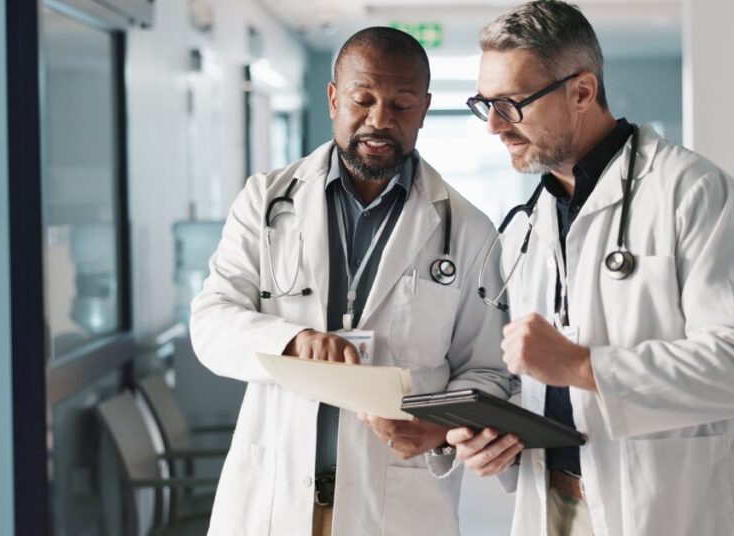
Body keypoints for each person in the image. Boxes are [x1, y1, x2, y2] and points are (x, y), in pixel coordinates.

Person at [442, 2, 734, 536]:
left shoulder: (691, 193)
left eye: (510, 104)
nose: (493, 126)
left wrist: (584, 366)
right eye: (484, 104)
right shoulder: (527, 226)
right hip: (556, 506)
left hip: (673, 507)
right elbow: (543, 383)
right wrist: (498, 432)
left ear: (581, 91)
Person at [190, 27, 512, 536]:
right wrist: (292, 341)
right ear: (334, 98)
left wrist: (440, 427)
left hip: (397, 506)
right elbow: (210, 323)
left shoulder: (469, 231)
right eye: (363, 100)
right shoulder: (264, 201)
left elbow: (489, 371)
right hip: (274, 496)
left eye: (402, 105)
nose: (380, 121)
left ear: (424, 109)